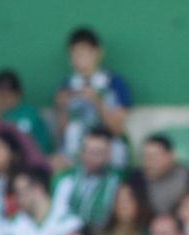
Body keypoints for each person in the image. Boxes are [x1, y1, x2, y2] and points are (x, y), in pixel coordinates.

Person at [54, 26, 132, 164]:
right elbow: (62, 132)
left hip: (108, 151)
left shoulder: (114, 83)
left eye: (84, 52)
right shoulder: (66, 85)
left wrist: (97, 101)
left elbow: (118, 129)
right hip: (76, 150)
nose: (79, 58)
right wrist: (62, 108)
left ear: (98, 52)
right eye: (74, 53)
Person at [1, 168, 82, 235]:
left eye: (21, 192)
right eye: (16, 194)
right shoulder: (13, 223)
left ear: (39, 188)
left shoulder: (69, 222)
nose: (19, 199)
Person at [52, 126, 121, 232]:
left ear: (108, 154)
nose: (93, 157)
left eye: (99, 153)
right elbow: (58, 213)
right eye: (89, 152)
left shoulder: (116, 182)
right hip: (68, 233)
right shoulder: (66, 178)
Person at [129, 133, 189, 223]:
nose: (148, 162)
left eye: (154, 157)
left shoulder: (188, 178)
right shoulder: (136, 179)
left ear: (171, 156)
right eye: (145, 157)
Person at [0, 68, 54, 157]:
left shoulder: (31, 114)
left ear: (19, 94)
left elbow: (46, 146)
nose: (5, 100)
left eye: (9, 95)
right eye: (1, 96)